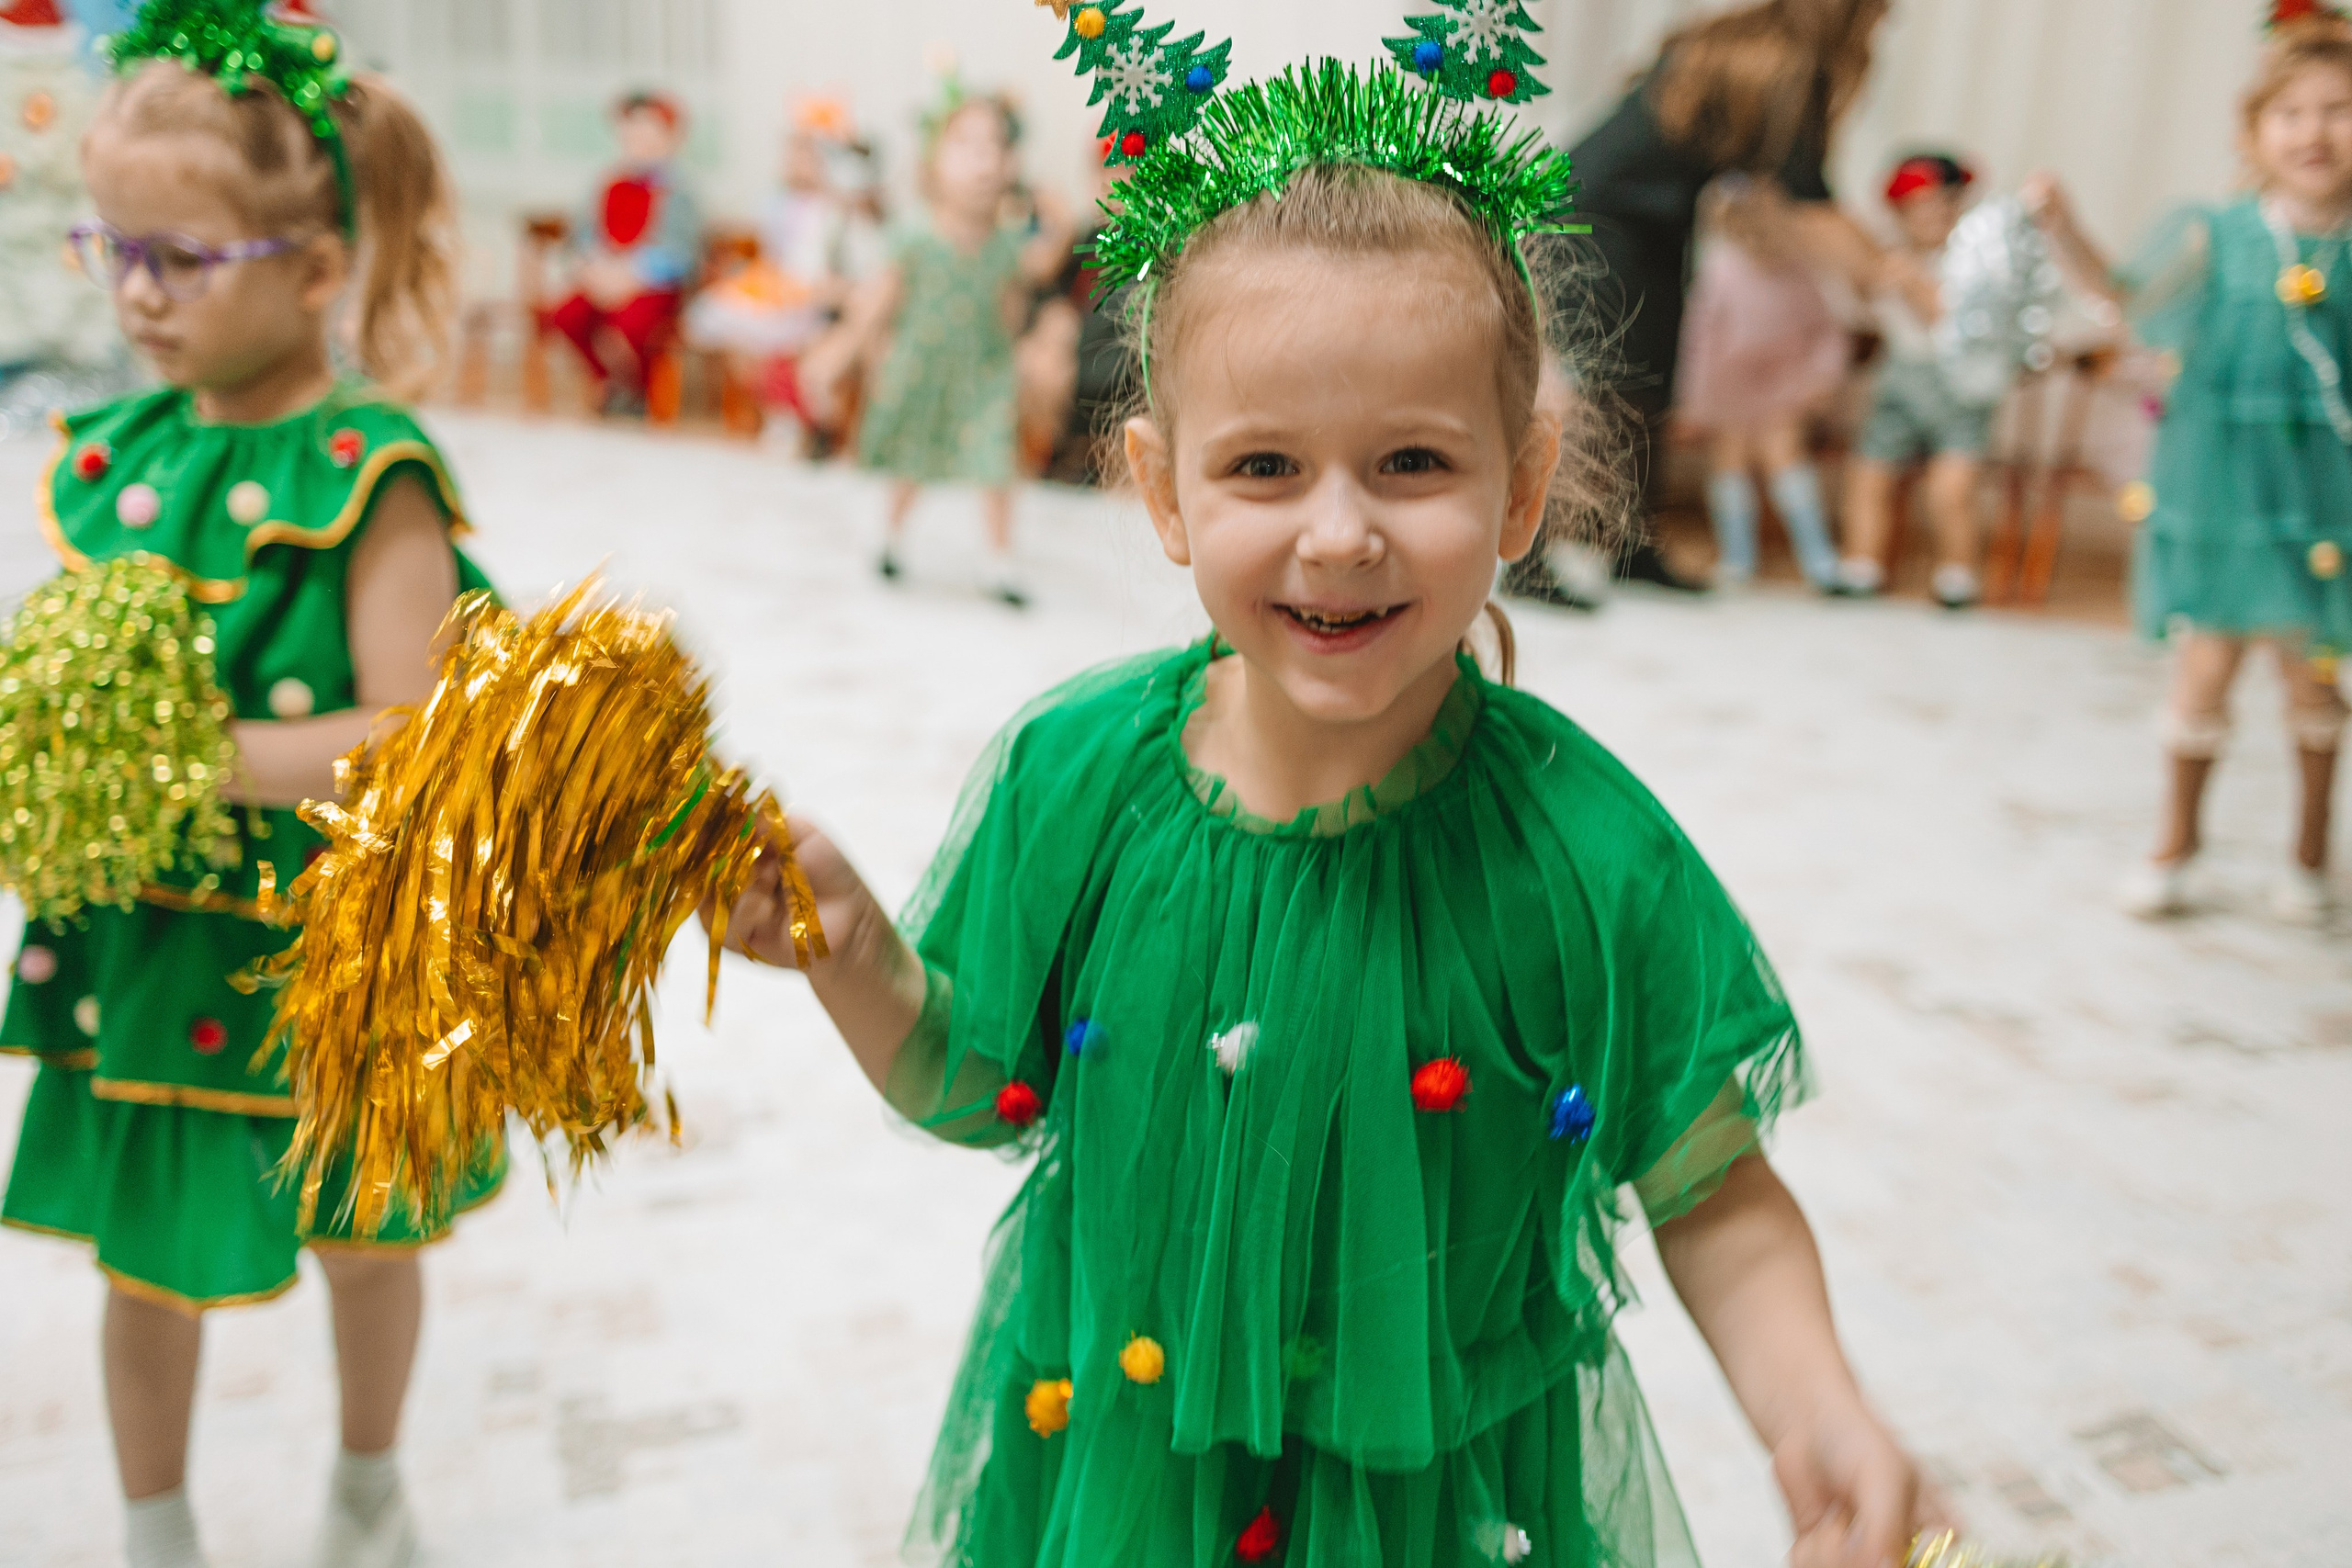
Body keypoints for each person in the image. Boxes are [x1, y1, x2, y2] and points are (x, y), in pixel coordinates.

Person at [720, 22, 1945, 1566]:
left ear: (1521, 477)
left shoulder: (1589, 853)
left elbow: (1709, 1188)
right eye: (1265, 469)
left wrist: (1814, 1400)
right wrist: (858, 956)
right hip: (1126, 1475)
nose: (1341, 534)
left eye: (1415, 462)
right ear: (1163, 489)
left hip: (1432, 1508)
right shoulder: (1076, 778)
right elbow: (984, 1084)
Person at [0, 7, 503, 1566]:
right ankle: (156, 1530)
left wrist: (175, 762)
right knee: (141, 1265)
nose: (136, 293)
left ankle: (367, 1489)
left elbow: (413, 726)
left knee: (369, 1234)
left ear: (309, 261)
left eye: (180, 259)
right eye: (113, 248)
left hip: (325, 944)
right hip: (157, 933)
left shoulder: (371, 466)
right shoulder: (122, 449)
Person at [2031, 7, 2352, 924]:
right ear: (2255, 133)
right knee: (2203, 668)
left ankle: (2307, 853)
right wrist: (2065, 227)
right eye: (2291, 113)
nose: (2314, 131)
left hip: (2322, 501)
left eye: (2338, 110)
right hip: (2218, 486)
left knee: (2313, 677)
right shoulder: (2215, 234)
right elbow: (2124, 299)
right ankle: (2176, 840)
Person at [1540, 0, 1892, 602]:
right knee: (1606, 389)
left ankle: (1627, 545)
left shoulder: (1746, 46)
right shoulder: (1786, 63)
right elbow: (1806, 197)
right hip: (1591, 214)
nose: (1884, 24)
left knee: (1649, 382)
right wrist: (1892, 273)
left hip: (1650, 223)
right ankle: (1531, 559)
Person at [834, 89, 1071, 607]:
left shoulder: (1006, 243)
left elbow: (1020, 294)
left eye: (993, 147)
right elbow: (878, 299)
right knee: (914, 463)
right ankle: (889, 537)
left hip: (984, 372)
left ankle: (1000, 561)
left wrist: (1058, 219)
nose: (980, 159)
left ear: (1010, 164)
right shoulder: (915, 235)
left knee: (996, 466)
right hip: (923, 369)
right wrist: (844, 351)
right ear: (935, 161)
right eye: (964, 145)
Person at [1836, 153, 1995, 609]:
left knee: (1951, 488)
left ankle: (1957, 574)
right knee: (1870, 474)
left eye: (1947, 206)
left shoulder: (1975, 263)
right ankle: (1861, 564)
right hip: (1900, 377)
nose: (1936, 217)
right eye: (1922, 207)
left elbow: (1957, 324)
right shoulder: (1888, 257)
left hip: (1959, 384)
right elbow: (1861, 297)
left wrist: (1915, 284)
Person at [1676, 176, 1850, 589]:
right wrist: (1693, 401)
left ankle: (1819, 560)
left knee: (1784, 455)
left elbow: (1826, 330)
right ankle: (1738, 558)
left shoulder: (1798, 268)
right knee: (1728, 461)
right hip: (1729, 382)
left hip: (1784, 381)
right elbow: (1702, 336)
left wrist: (1822, 378)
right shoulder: (1720, 267)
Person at [682, 97, 884, 447]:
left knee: (802, 345)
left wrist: (832, 287)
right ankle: (778, 411)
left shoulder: (845, 211)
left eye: (806, 153)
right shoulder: (777, 203)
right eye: (792, 153)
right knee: (739, 326)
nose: (796, 161)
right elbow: (771, 252)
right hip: (783, 288)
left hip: (825, 300)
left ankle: (810, 415)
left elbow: (862, 267)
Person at [544, 90, 704, 418]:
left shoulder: (678, 189)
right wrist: (590, 269)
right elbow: (581, 239)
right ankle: (608, 381)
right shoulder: (606, 182)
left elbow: (682, 253)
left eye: (649, 130)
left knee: (633, 325)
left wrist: (631, 275)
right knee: (566, 315)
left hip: (650, 285)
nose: (639, 139)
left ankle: (639, 389)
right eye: (632, 130)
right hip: (602, 276)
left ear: (670, 137)